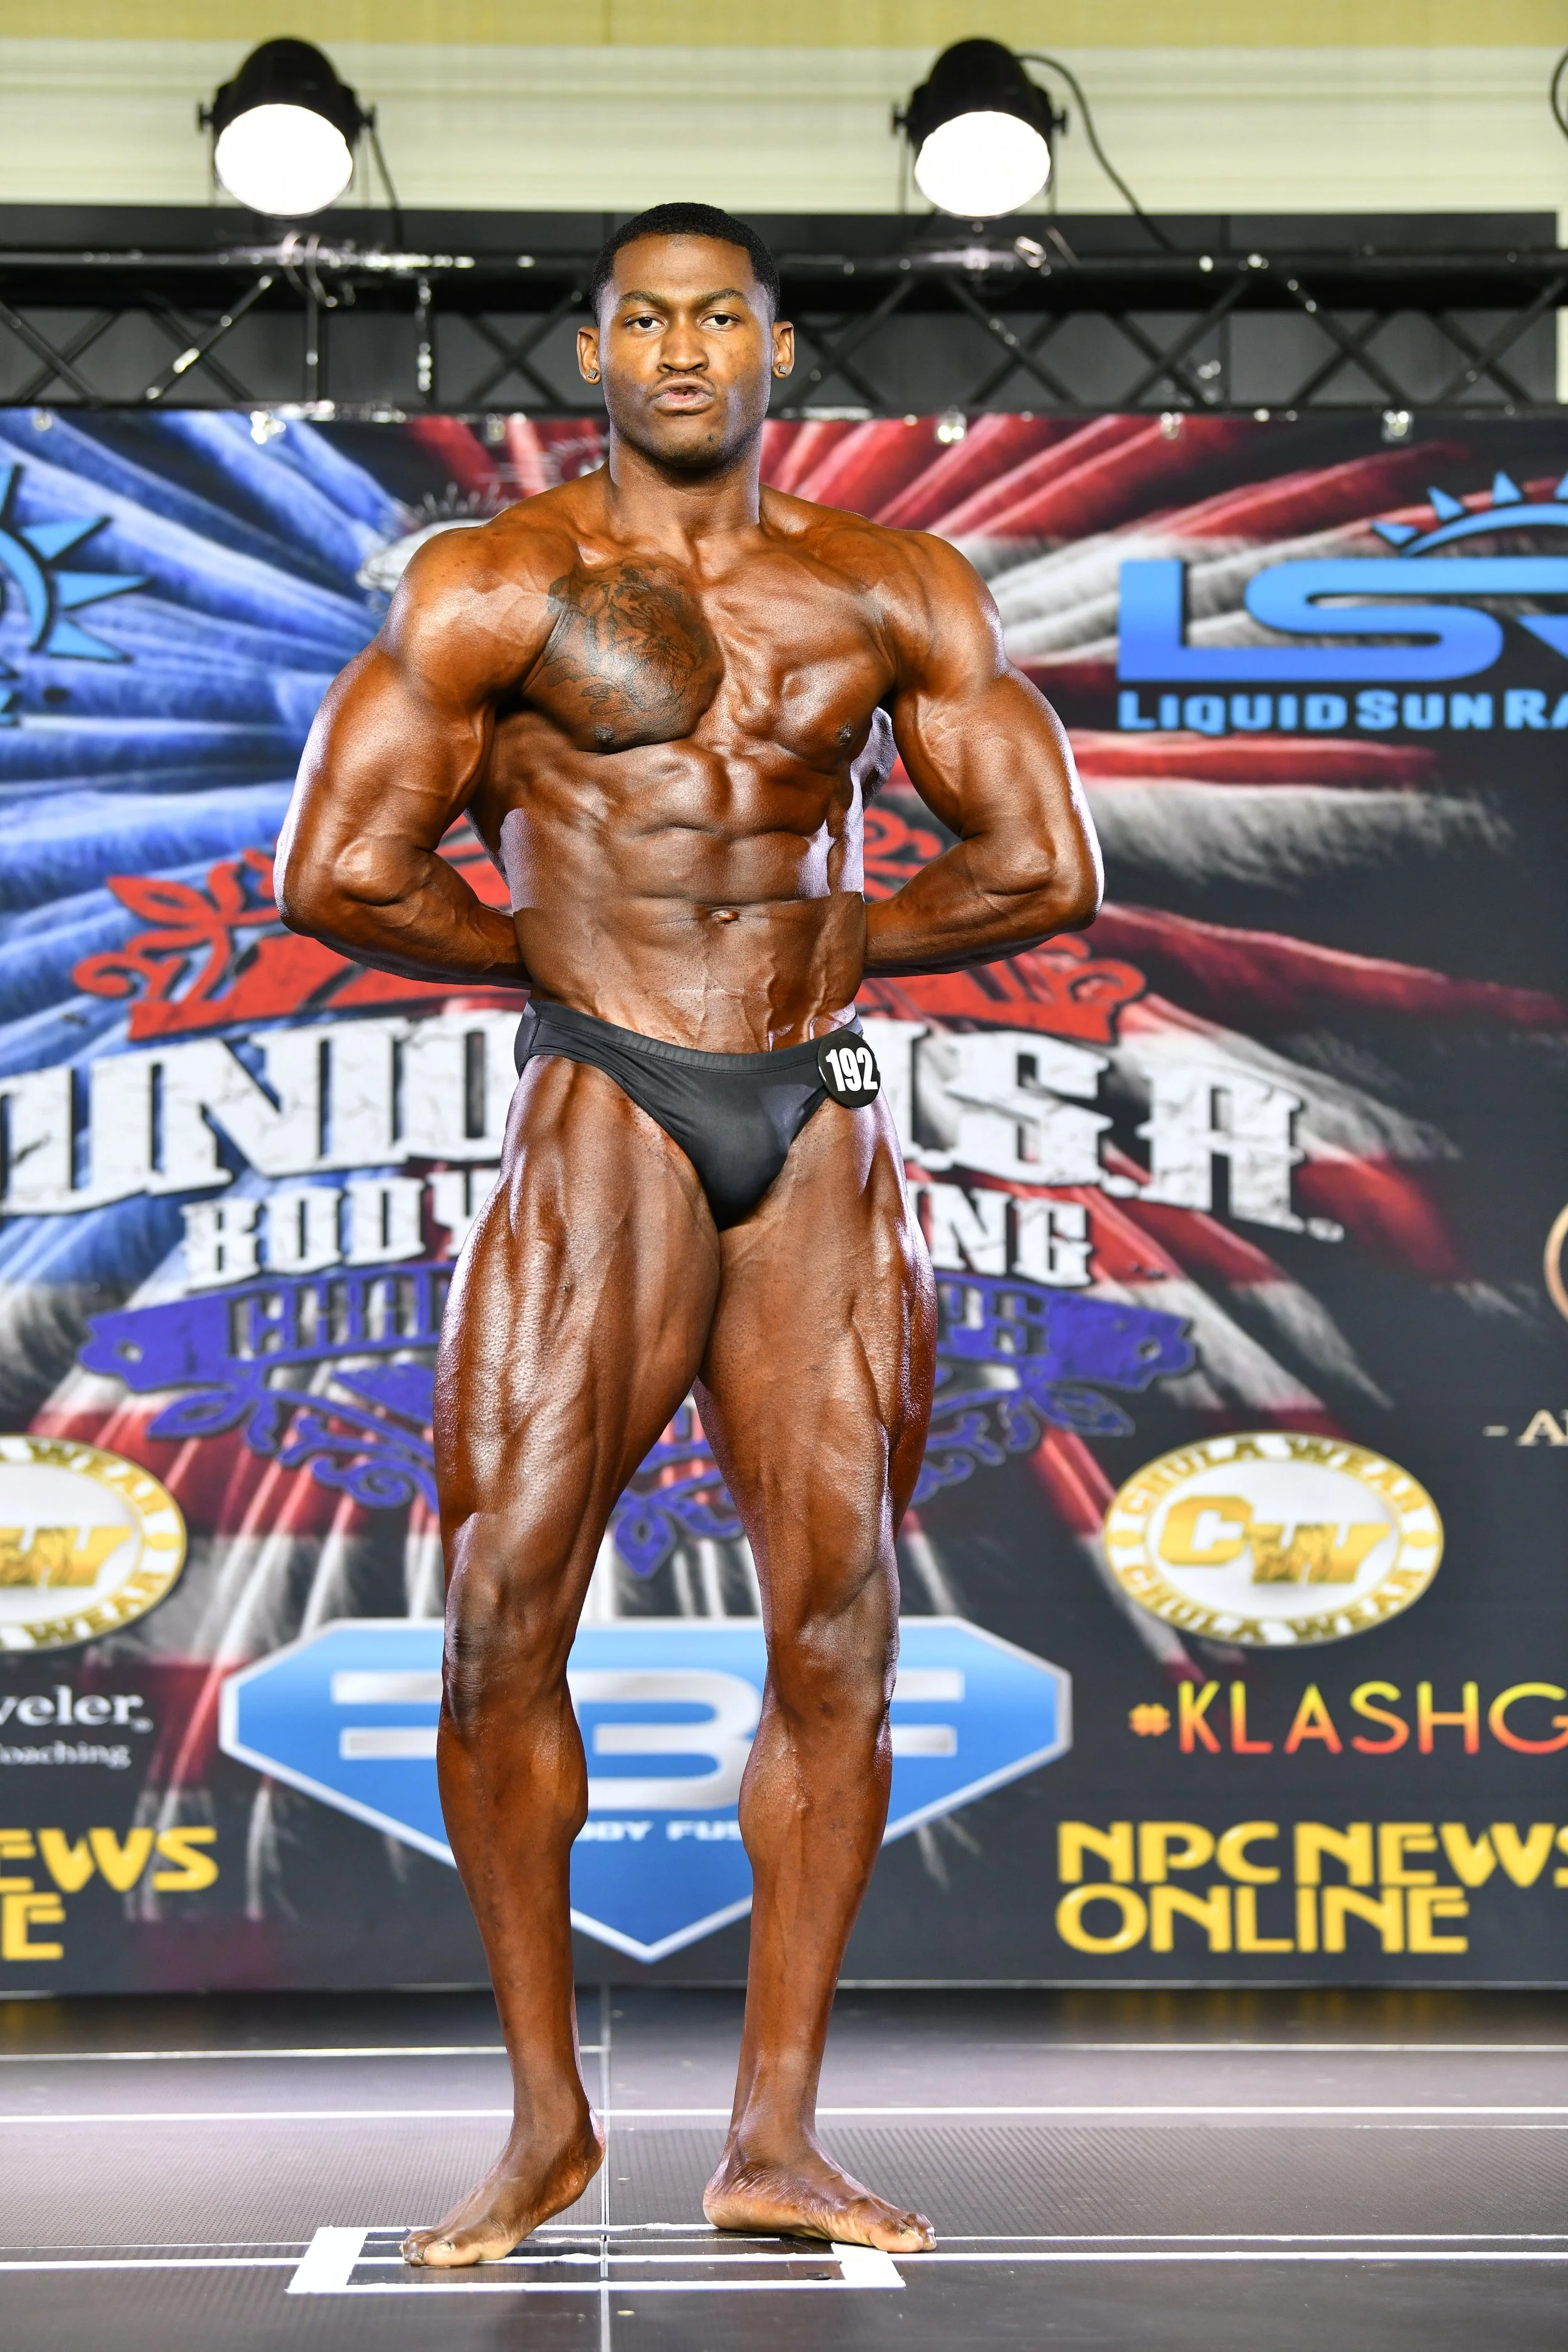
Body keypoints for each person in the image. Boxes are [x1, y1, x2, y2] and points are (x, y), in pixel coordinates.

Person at [275, 198, 1101, 2266]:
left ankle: (774, 2137)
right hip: (606, 1106)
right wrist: (558, 953)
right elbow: (336, 869)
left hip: (811, 1115)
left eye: (714, 318)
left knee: (836, 1617)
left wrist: (827, 930)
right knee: (504, 1606)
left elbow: (1040, 867)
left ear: (771, 352)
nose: (675, 350)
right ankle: (545, 2124)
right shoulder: (498, 583)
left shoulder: (890, 589)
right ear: (593, 355)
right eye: (639, 318)